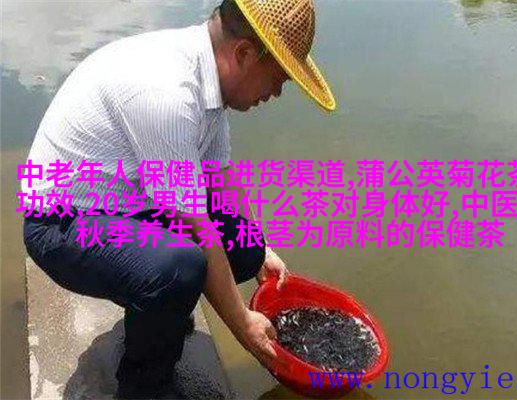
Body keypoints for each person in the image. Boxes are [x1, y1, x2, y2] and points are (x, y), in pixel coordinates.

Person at [20, 0, 336, 398]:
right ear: (243, 54)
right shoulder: (166, 92)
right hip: (62, 223)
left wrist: (260, 249)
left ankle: (161, 314)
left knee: (245, 247)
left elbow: (220, 182)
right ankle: (144, 386)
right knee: (179, 268)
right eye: (278, 79)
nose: (275, 93)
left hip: (124, 202)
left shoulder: (210, 86)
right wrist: (243, 325)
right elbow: (197, 227)